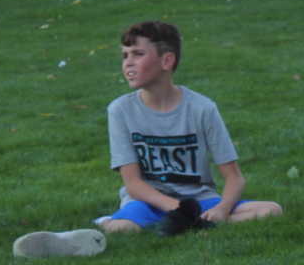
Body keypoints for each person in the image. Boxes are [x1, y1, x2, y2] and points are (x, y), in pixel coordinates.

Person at [93, 21, 281, 235]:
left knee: (271, 210)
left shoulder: (203, 108)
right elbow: (133, 183)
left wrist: (222, 209)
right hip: (148, 202)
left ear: (167, 60)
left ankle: (186, 224)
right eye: (125, 55)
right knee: (122, 229)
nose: (128, 63)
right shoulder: (120, 110)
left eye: (138, 54)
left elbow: (234, 178)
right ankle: (110, 222)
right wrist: (179, 209)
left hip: (199, 200)